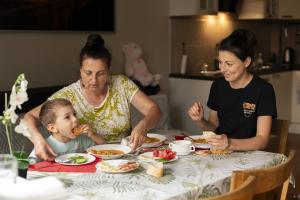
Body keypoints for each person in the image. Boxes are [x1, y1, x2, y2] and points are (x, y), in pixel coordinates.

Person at [24, 34, 161, 161]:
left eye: (100, 73)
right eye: (88, 73)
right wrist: (38, 139)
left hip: (125, 157)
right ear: (80, 70)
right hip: (91, 161)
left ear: (108, 71)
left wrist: (144, 125)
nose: (94, 80)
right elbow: (29, 117)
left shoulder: (122, 84)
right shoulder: (68, 95)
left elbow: (154, 109)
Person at [188, 29, 277, 151]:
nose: (223, 69)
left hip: (251, 156)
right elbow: (214, 127)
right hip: (220, 153)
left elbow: (262, 140)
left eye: (229, 64)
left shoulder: (263, 90)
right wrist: (200, 120)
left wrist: (229, 143)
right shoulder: (217, 86)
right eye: (220, 62)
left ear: (246, 61)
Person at [29, 98, 105, 160]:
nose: (75, 119)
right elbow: (30, 166)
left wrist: (92, 135)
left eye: (74, 114)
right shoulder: (45, 146)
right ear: (53, 128)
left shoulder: (81, 139)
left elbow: (103, 146)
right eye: (67, 117)